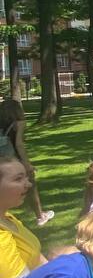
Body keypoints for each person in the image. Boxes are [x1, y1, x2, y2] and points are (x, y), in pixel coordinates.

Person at [0, 97, 54, 227]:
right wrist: (27, 164)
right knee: (30, 186)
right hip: (14, 160)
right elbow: (19, 144)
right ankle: (40, 216)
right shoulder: (19, 123)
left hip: (2, 161)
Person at [0, 159, 44, 278]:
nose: (28, 184)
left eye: (26, 177)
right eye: (18, 179)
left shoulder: (7, 217)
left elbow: (38, 259)